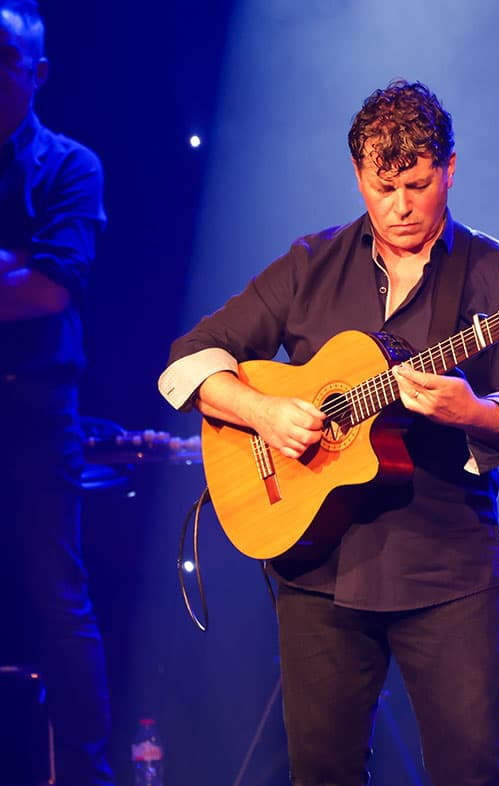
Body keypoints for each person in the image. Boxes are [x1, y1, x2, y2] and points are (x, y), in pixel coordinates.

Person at [159, 79, 499, 785]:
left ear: (449, 168)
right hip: (318, 568)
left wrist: (470, 408)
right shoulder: (310, 264)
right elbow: (188, 362)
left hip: (445, 567)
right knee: (321, 772)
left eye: (417, 183)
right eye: (384, 188)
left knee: (475, 767)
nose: (401, 206)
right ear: (358, 177)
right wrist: (263, 412)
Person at [0, 1, 114, 785]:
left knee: (58, 595)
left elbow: (48, 291)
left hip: (35, 407)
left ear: (36, 72)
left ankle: (87, 775)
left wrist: (24, 274)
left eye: (1, 57)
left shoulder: (71, 164)